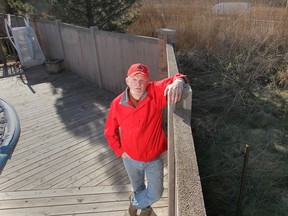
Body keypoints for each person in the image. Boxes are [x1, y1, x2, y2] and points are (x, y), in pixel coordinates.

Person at [104, 63, 187, 216]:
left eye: (143, 80)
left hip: (153, 159)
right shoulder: (117, 103)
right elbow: (110, 131)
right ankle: (146, 210)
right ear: (127, 81)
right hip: (130, 159)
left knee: (155, 193)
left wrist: (178, 82)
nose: (139, 84)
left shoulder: (154, 92)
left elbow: (178, 77)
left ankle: (134, 202)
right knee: (138, 188)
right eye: (134, 79)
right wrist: (120, 151)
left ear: (148, 82)